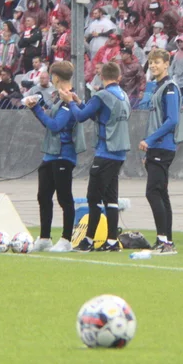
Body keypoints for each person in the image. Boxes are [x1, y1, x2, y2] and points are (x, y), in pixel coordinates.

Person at [60, 61, 131, 252]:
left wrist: (71, 103)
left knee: (93, 197)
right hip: (120, 151)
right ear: (119, 77)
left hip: (105, 151)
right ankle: (111, 241)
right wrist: (80, 103)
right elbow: (100, 116)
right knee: (111, 198)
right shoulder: (124, 96)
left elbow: (81, 117)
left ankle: (89, 240)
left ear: (101, 76)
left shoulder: (102, 95)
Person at [23, 61, 84, 253]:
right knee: (43, 196)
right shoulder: (60, 99)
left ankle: (66, 239)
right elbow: (53, 124)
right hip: (51, 154)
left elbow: (56, 126)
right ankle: (45, 237)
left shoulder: (69, 100)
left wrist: (37, 109)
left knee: (64, 198)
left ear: (55, 77)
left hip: (63, 155)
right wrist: (38, 109)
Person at [138, 48, 183, 254]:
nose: (153, 65)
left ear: (166, 64)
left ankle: (164, 241)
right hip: (156, 147)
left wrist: (149, 140)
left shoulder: (170, 87)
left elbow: (172, 120)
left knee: (153, 192)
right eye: (151, 62)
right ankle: (166, 240)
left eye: (157, 62)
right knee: (161, 193)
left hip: (162, 145)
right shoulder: (157, 86)